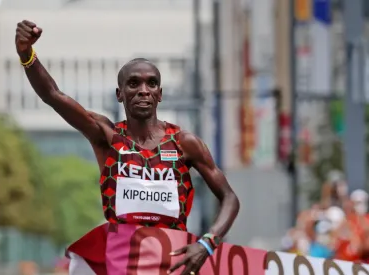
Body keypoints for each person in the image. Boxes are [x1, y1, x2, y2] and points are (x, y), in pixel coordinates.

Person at [15, 20, 240, 274]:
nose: (143, 91)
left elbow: (230, 198)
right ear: (119, 94)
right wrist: (26, 54)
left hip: (171, 260)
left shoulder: (183, 142)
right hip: (121, 259)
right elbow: (53, 95)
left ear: (160, 94)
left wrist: (207, 243)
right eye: (134, 84)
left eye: (151, 84)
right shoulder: (107, 136)